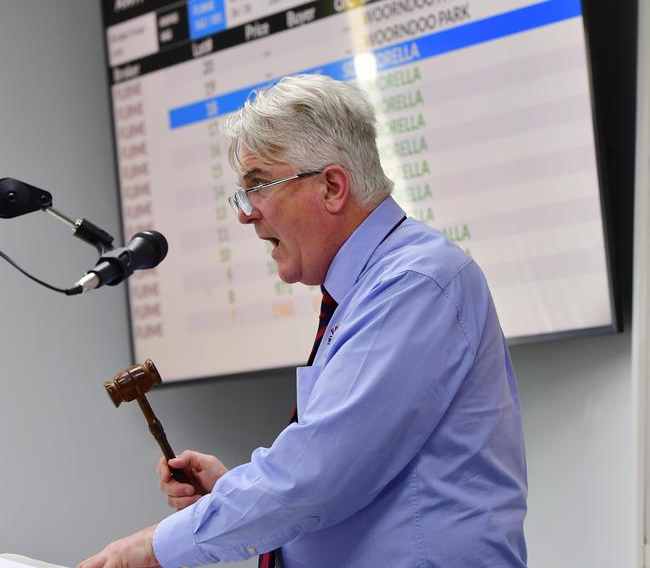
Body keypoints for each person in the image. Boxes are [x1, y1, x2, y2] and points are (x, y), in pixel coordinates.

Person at [78, 74, 528, 568]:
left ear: (333, 186)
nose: (246, 215)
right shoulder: (369, 290)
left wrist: (151, 548)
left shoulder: (415, 283)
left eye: (258, 186)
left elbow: (317, 478)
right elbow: (342, 477)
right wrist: (233, 492)